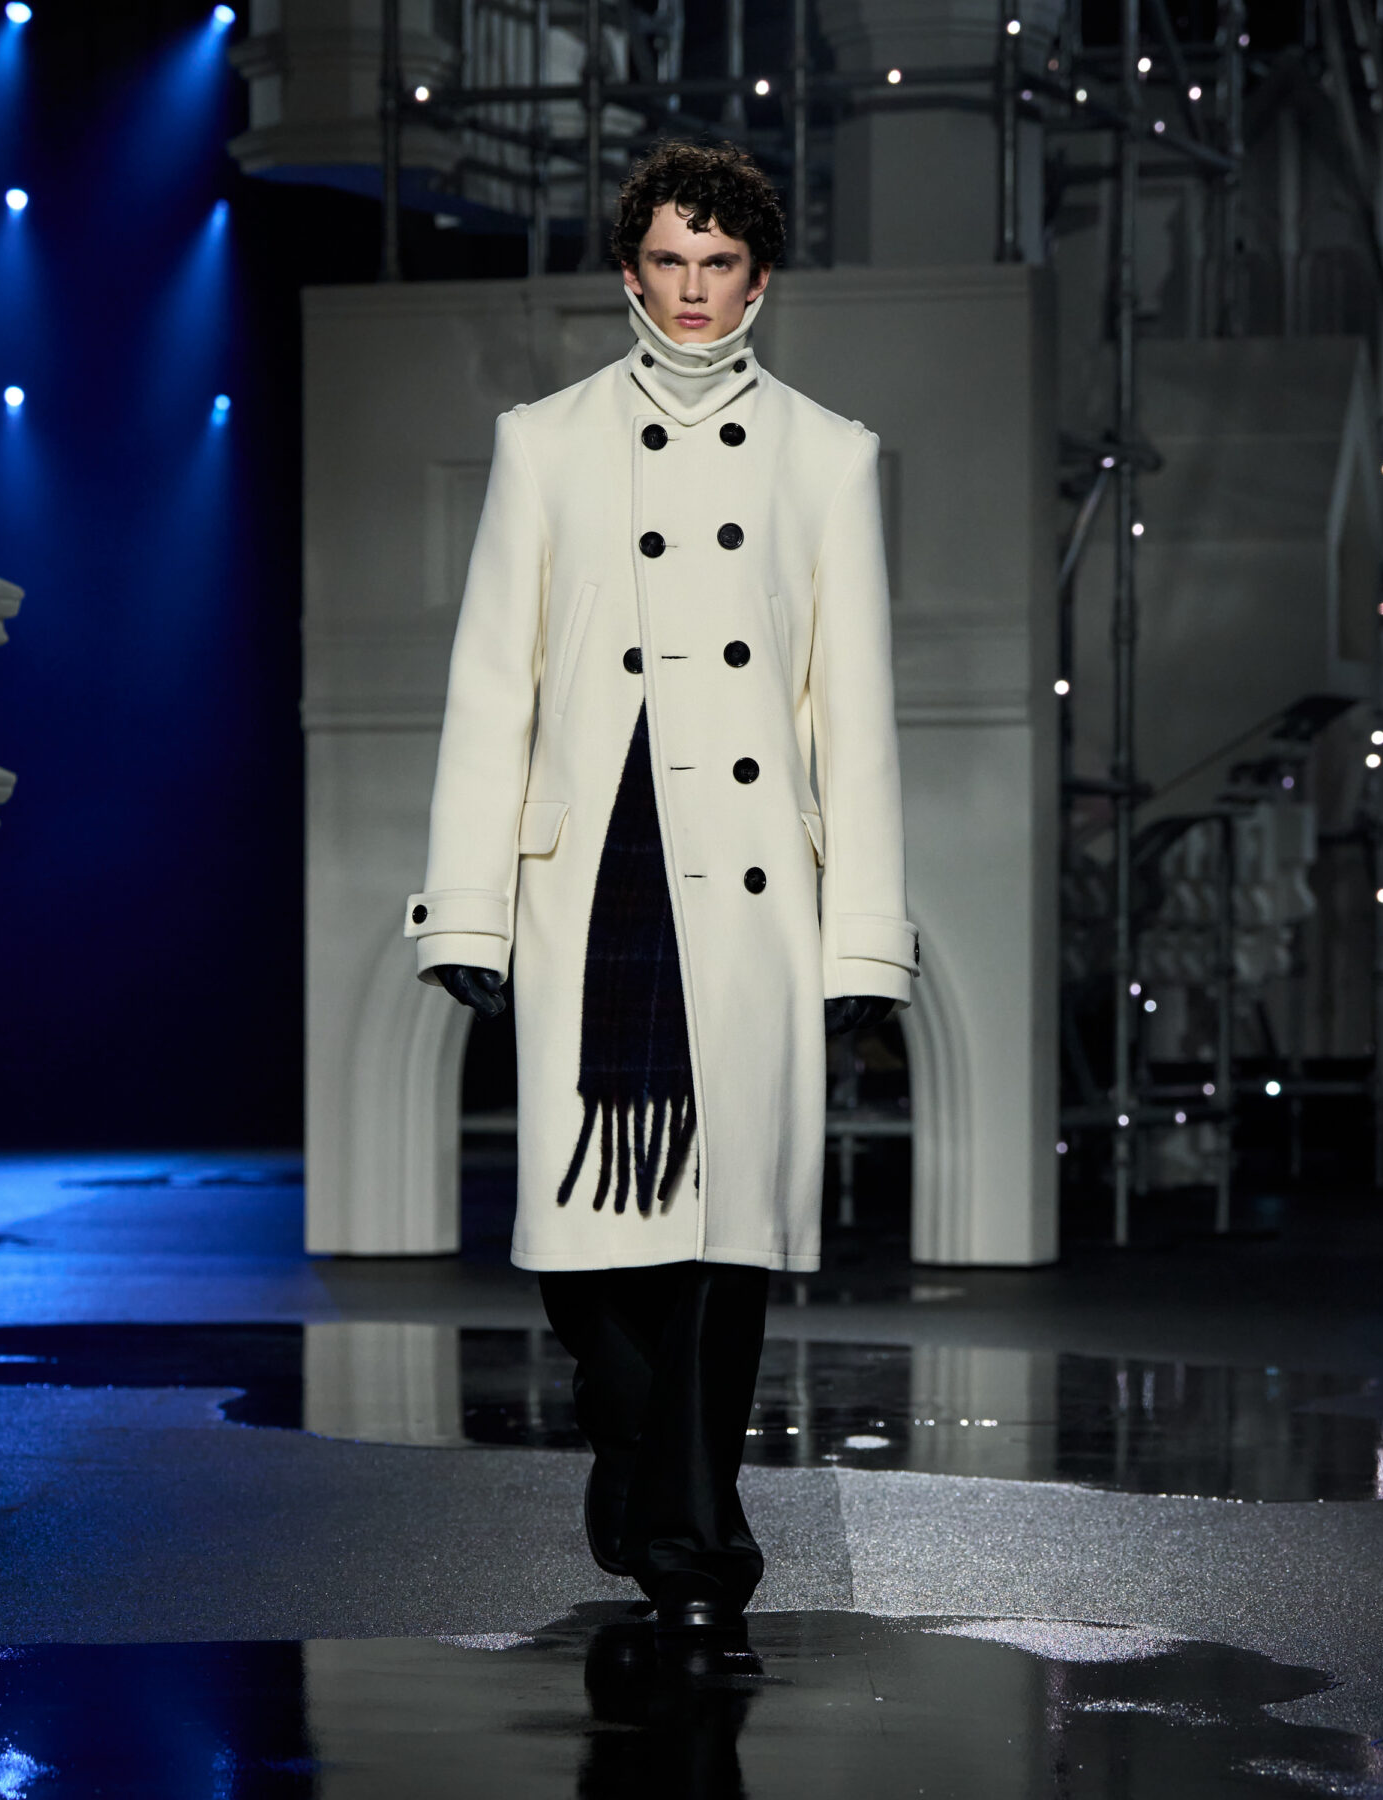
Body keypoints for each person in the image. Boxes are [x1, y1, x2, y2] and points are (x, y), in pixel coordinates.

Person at [405, 140, 917, 1637]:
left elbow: (854, 718)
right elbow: (490, 688)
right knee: (586, 1248)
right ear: (632, 272)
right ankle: (634, 1443)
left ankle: (695, 1539)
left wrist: (863, 940)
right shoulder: (544, 442)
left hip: (749, 891)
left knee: (722, 1236)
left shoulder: (828, 456)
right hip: (595, 876)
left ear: (759, 279)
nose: (694, 291)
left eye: (720, 263)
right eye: (671, 262)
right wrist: (465, 904)